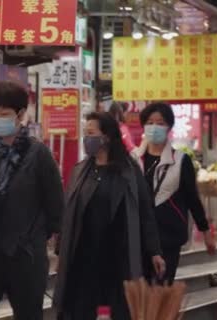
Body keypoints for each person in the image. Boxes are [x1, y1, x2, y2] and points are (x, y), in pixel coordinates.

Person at [0, 81, 64, 320]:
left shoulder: (38, 154)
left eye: (4, 113)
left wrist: (34, 237)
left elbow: (55, 206)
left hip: (25, 258)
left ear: (20, 114)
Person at [53, 112, 165, 320]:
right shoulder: (80, 171)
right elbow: (69, 212)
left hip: (118, 257)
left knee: (118, 310)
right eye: (86, 134)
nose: (87, 139)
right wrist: (62, 250)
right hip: (83, 256)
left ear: (107, 137)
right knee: (81, 309)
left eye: (91, 133)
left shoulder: (129, 172)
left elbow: (145, 212)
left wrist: (154, 251)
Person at [136, 103, 216, 283]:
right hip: (137, 235)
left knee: (162, 288)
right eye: (150, 122)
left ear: (169, 127)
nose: (154, 127)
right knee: (138, 292)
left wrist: (206, 232)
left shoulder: (180, 160)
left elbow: (192, 198)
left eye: (160, 123)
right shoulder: (134, 159)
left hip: (168, 235)